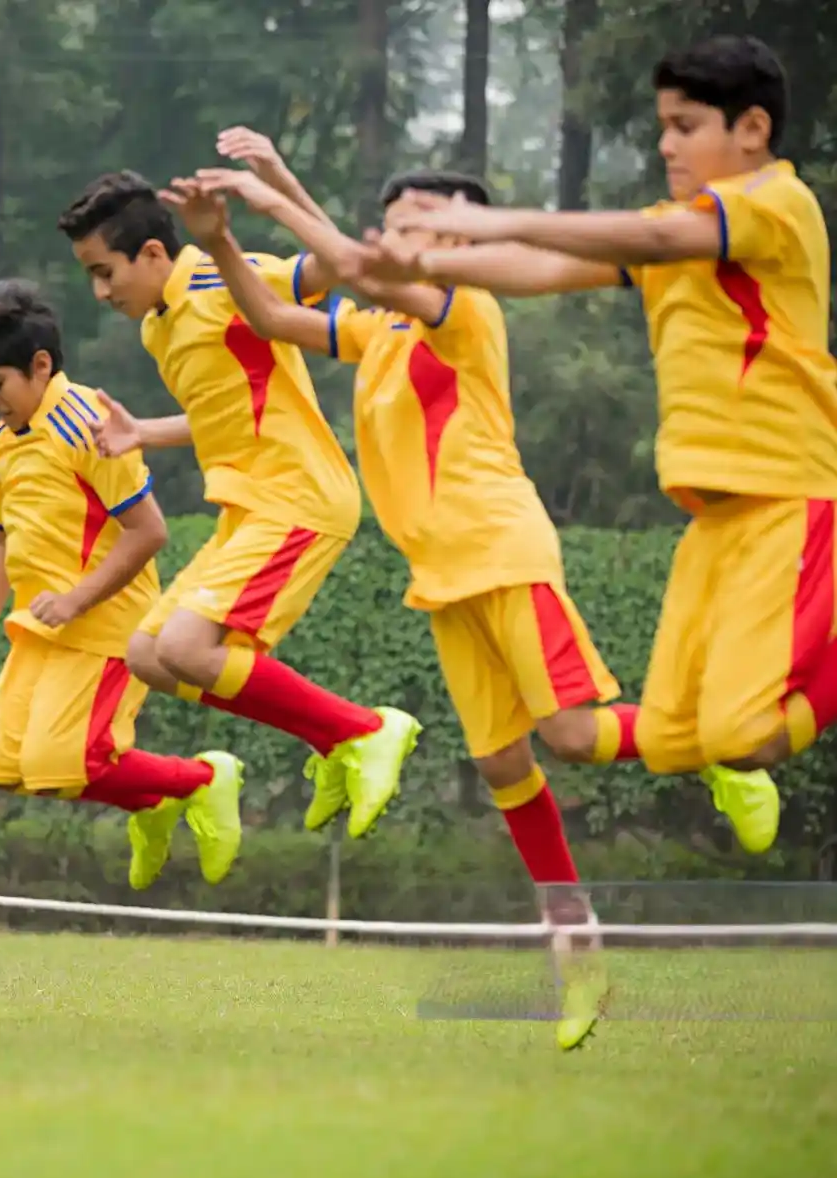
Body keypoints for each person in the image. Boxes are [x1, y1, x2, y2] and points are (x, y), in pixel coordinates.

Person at [171, 164, 631, 1048]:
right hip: (443, 575)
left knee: (572, 734)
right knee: (504, 767)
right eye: (392, 225)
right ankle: (580, 956)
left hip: (501, 549)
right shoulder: (379, 327)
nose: (397, 241)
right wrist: (225, 237)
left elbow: (350, 263)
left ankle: (722, 740)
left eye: (419, 224)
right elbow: (271, 317)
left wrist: (270, 191)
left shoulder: (462, 309)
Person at [372, 34, 806, 852]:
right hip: (707, 516)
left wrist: (477, 224)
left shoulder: (768, 204)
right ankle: (575, 939)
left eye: (684, 126)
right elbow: (541, 269)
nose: (665, 144)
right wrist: (407, 253)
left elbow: (639, 241)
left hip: (780, 500)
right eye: (662, 128)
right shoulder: (385, 322)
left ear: (752, 129)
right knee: (637, 739)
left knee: (718, 735)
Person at [57, 159, 421, 839]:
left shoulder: (219, 276)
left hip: (299, 497)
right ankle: (332, 740)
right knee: (148, 653)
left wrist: (275, 179)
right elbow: (225, 411)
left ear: (155, 252)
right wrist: (144, 432)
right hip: (249, 506)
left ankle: (362, 731)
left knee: (190, 649)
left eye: (105, 271)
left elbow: (333, 266)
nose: (101, 291)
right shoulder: (157, 326)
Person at [0, 280, 243, 890]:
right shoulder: (1, 447)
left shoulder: (88, 426)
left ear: (40, 365)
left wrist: (78, 597)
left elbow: (148, 531)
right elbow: (0, 541)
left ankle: (202, 782)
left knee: (62, 764)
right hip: (40, 631)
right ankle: (153, 803)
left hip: (107, 628)